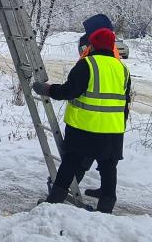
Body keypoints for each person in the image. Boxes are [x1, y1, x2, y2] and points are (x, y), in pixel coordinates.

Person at [32, 14, 131, 213]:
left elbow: (70, 91)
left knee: (70, 164)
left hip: (84, 128)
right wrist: (120, 123)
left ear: (91, 45)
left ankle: (54, 202)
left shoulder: (87, 65)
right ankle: (106, 208)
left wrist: (47, 89)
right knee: (108, 169)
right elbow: (125, 102)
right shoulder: (123, 69)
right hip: (113, 130)